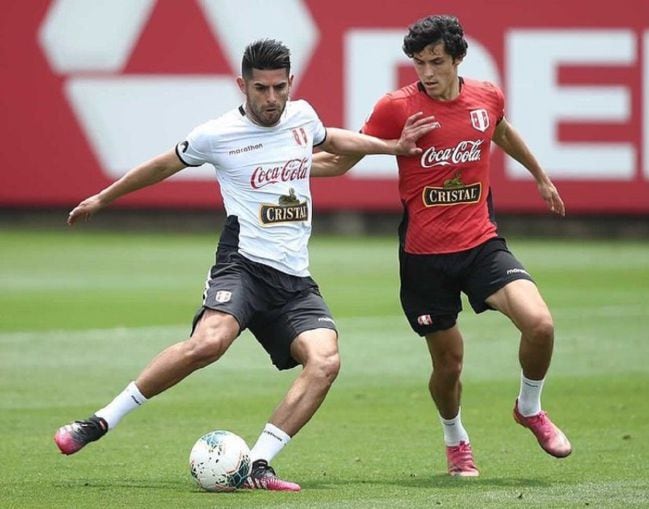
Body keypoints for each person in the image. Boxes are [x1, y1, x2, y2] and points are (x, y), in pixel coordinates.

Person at [53, 38, 435, 491]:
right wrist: (102, 197)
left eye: (279, 87)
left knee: (325, 361)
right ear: (242, 86)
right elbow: (161, 166)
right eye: (261, 89)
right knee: (207, 344)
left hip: (294, 279)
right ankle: (99, 421)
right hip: (243, 266)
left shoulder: (302, 117)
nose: (271, 98)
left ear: (290, 82)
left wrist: (394, 147)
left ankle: (257, 464)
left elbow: (331, 138)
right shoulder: (216, 134)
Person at [311, 15, 571, 477]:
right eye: (419, 63)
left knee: (541, 325)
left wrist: (541, 177)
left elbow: (502, 131)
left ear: (457, 59)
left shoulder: (486, 96)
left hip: (481, 244)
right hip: (425, 259)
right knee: (449, 367)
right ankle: (455, 438)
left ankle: (529, 408)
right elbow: (341, 159)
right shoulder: (396, 107)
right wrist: (279, 167)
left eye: (436, 61)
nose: (427, 72)